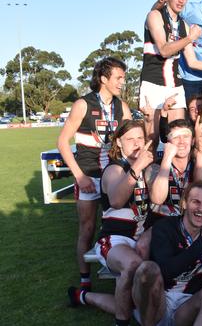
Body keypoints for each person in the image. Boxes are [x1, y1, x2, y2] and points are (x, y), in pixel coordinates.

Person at [67, 119, 154, 326]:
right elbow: (116, 199)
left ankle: (83, 296)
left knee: (134, 305)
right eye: (130, 139)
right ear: (119, 143)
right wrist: (137, 167)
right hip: (116, 240)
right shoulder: (113, 169)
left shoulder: (151, 167)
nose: (136, 143)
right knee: (132, 265)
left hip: (144, 237)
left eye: (140, 138)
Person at [57, 57, 132, 292]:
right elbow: (62, 142)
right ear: (103, 79)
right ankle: (85, 280)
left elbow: (132, 138)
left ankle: (118, 270)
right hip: (88, 175)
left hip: (113, 176)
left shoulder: (122, 106)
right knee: (87, 228)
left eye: (124, 77)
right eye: (118, 77)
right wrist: (79, 176)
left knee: (116, 225)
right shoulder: (83, 104)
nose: (123, 82)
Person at [140, 0, 202, 146]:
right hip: (153, 83)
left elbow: (193, 62)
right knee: (152, 140)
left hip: (175, 85)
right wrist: (190, 38)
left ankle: (178, 173)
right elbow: (163, 50)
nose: (181, 0)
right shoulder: (154, 15)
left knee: (179, 136)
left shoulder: (184, 25)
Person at [131, 181, 202, 326]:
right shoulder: (165, 227)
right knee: (147, 269)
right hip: (159, 302)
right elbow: (167, 271)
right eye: (195, 202)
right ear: (184, 203)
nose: (201, 208)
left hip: (187, 306)